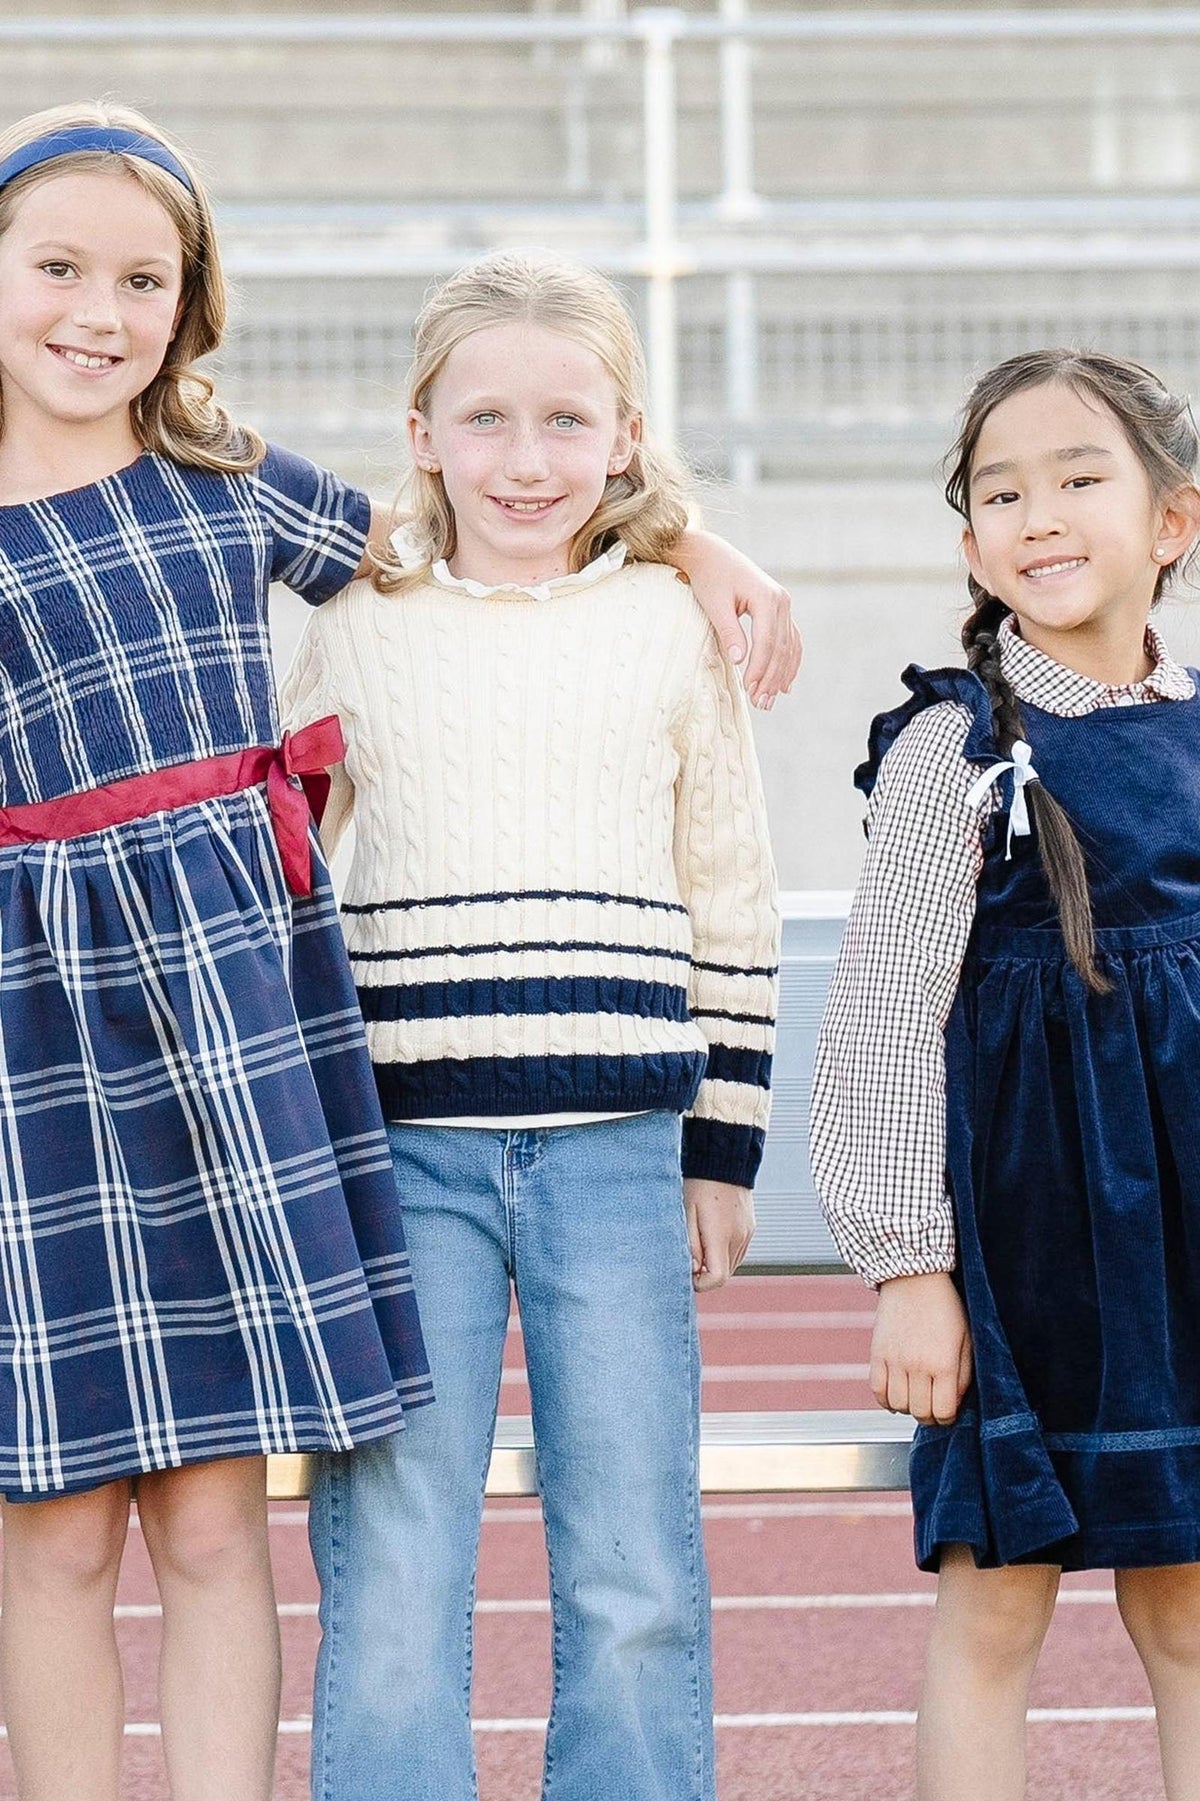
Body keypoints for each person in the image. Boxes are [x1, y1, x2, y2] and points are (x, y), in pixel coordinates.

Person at [0, 101, 796, 1801]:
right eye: (58, 263)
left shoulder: (634, 617)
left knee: (547, 1546)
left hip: (443, 1104)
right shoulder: (325, 589)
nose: (98, 307)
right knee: (279, 1541)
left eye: (140, 277)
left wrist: (691, 531)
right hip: (220, 1094)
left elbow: (715, 864)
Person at [281, 249, 781, 1801]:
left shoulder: (666, 624)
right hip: (399, 1151)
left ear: (626, 436)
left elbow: (730, 883)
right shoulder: (360, 617)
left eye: (567, 419)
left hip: (622, 1155)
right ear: (420, 431)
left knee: (632, 1555)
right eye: (483, 417)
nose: (525, 458)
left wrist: (724, 1143)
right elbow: (293, 858)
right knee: (397, 1550)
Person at [812, 348, 1200, 1801]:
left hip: (1182, 1239)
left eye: (1080, 479)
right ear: (971, 538)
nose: (1039, 514)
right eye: (1002, 490)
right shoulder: (955, 752)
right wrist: (911, 1265)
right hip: (1024, 1252)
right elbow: (883, 1020)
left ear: (1173, 521)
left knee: (1189, 1605)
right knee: (996, 1595)